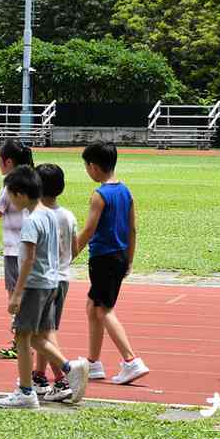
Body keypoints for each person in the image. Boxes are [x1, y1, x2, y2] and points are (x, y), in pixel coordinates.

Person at [0, 166, 88, 409]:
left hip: (34, 286)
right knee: (36, 335)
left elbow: (28, 259)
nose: (10, 202)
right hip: (52, 283)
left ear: (21, 194)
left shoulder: (32, 220)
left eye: (11, 195)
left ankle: (26, 391)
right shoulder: (50, 215)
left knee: (22, 336)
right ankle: (69, 368)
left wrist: (16, 294)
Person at [74, 142, 149, 385]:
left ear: (93, 167)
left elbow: (88, 230)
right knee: (92, 306)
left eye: (86, 166)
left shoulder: (100, 195)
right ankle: (93, 363)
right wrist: (129, 259)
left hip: (103, 258)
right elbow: (133, 229)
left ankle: (131, 360)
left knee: (102, 309)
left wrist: (70, 252)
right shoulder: (126, 191)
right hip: (119, 256)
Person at [0, 139, 34, 358]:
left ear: (8, 161)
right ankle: (26, 339)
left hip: (14, 249)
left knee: (15, 295)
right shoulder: (33, 178)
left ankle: (19, 342)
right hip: (31, 246)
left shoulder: (10, 183)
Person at [32, 163, 79, 401]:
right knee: (46, 329)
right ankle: (39, 375)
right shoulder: (68, 215)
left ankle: (62, 379)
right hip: (62, 277)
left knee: (43, 333)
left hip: (44, 280)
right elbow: (75, 247)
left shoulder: (38, 216)